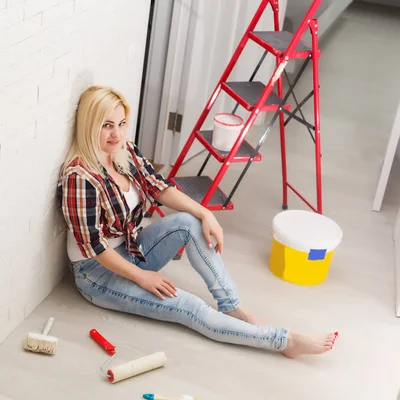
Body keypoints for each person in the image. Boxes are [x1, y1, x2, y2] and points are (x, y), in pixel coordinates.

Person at [57, 85, 337, 357]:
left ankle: (232, 306)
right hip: (97, 272)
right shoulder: (79, 178)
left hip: (131, 250)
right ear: (89, 125)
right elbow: (96, 247)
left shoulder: (124, 152)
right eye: (107, 125)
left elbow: (159, 187)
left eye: (121, 123)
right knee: (191, 307)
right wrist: (143, 277)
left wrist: (205, 213)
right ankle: (284, 341)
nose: (116, 134)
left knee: (188, 222)